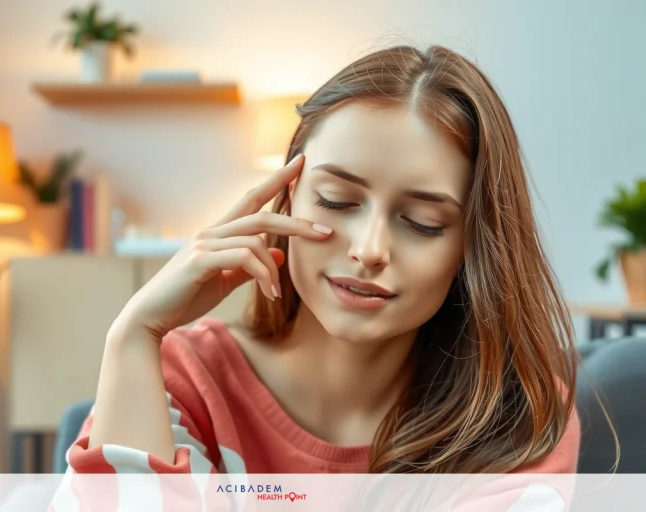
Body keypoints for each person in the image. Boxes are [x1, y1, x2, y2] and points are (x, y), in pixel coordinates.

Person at [55, 44, 589, 509]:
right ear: (285, 198)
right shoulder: (176, 381)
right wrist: (133, 333)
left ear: (473, 246)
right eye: (337, 200)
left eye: (423, 224)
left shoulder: (518, 423)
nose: (369, 249)